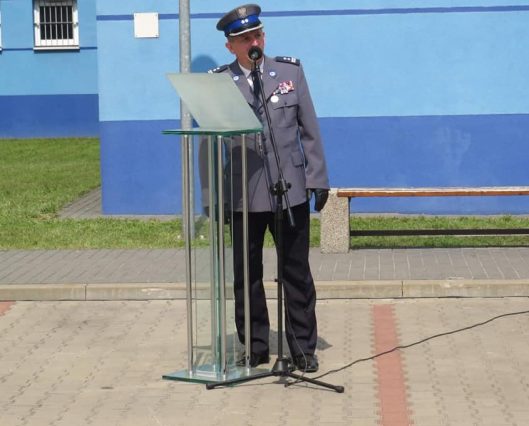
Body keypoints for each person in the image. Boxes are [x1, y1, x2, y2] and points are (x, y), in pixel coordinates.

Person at [212, 3, 329, 372]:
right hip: (244, 194)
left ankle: (302, 348)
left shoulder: (289, 72)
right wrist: (214, 197)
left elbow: (309, 129)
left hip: (289, 189)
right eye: (245, 39)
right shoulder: (220, 83)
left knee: (296, 271)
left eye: (258, 35)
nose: (254, 42)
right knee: (246, 275)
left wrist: (317, 178)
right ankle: (255, 347)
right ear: (231, 46)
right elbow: (210, 145)